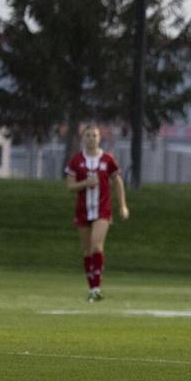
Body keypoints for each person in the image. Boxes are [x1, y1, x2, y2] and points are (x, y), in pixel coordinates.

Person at [64, 124, 129, 302]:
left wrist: (123, 206)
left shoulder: (107, 159)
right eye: (88, 135)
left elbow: (118, 182)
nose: (91, 138)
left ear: (99, 138)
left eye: (94, 135)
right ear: (82, 138)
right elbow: (70, 186)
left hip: (103, 209)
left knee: (96, 246)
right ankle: (92, 289)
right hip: (83, 210)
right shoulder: (76, 160)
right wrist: (85, 183)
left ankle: (97, 287)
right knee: (87, 251)